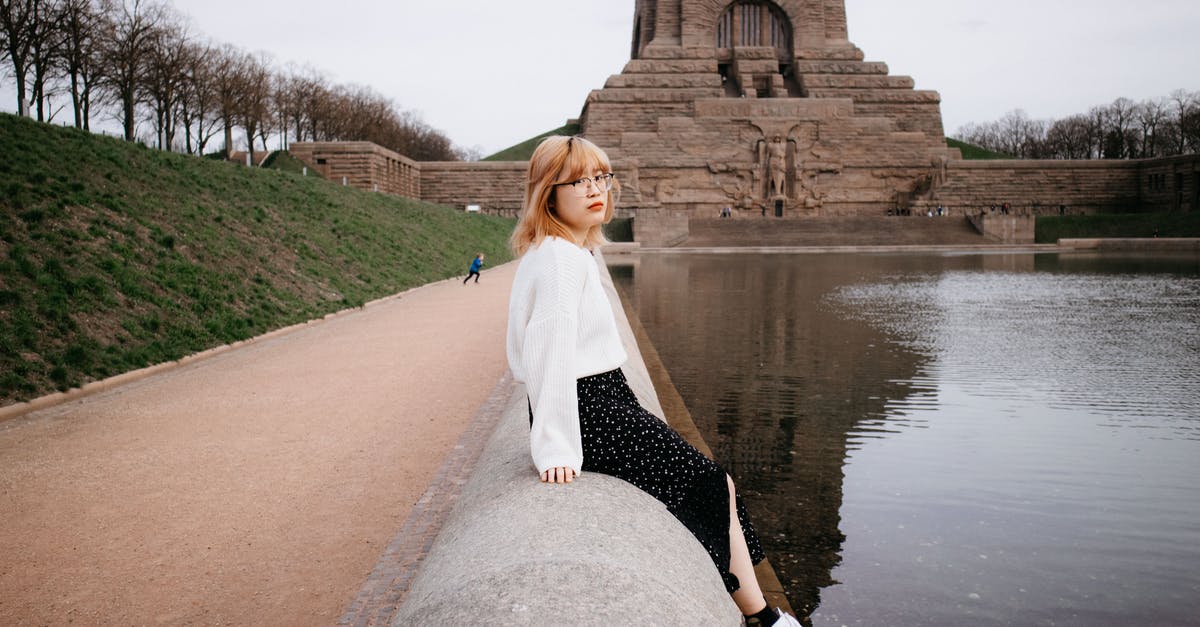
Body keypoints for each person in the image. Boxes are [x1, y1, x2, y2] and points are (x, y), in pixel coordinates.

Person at [506, 135, 800, 627]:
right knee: (708, 484)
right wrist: (555, 447)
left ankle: (761, 611)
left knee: (714, 482)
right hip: (590, 409)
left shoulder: (564, 251)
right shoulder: (559, 260)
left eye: (600, 177)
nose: (595, 189)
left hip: (602, 398)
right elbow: (548, 353)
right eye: (577, 181)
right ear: (548, 193)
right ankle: (763, 617)